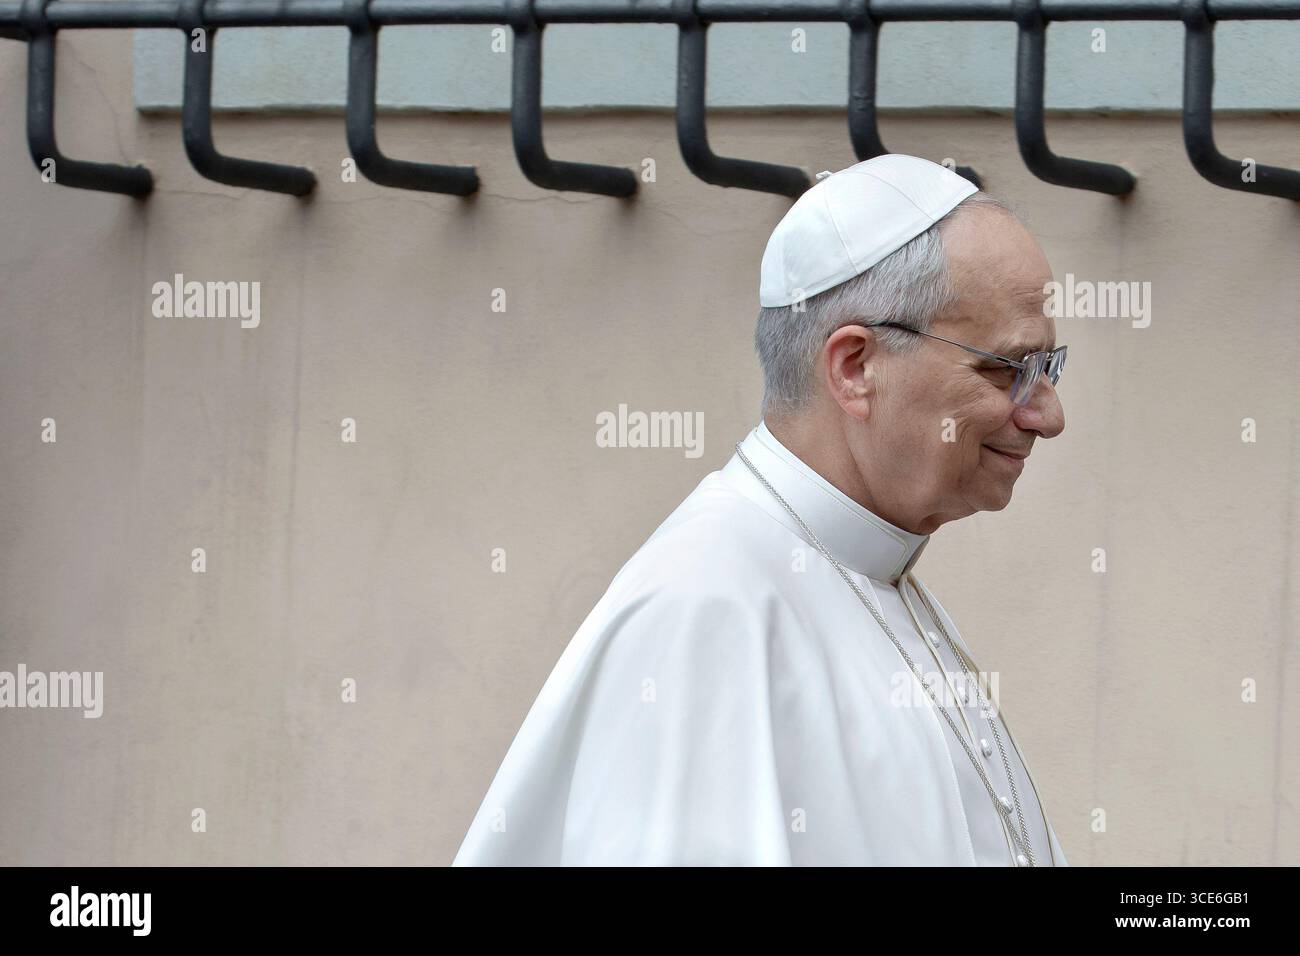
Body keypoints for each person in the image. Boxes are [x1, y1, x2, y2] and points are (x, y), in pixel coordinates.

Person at [454, 154, 1069, 866]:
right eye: (1007, 369)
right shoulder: (705, 610)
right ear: (856, 368)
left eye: (1048, 369)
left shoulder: (877, 575)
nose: (1046, 416)